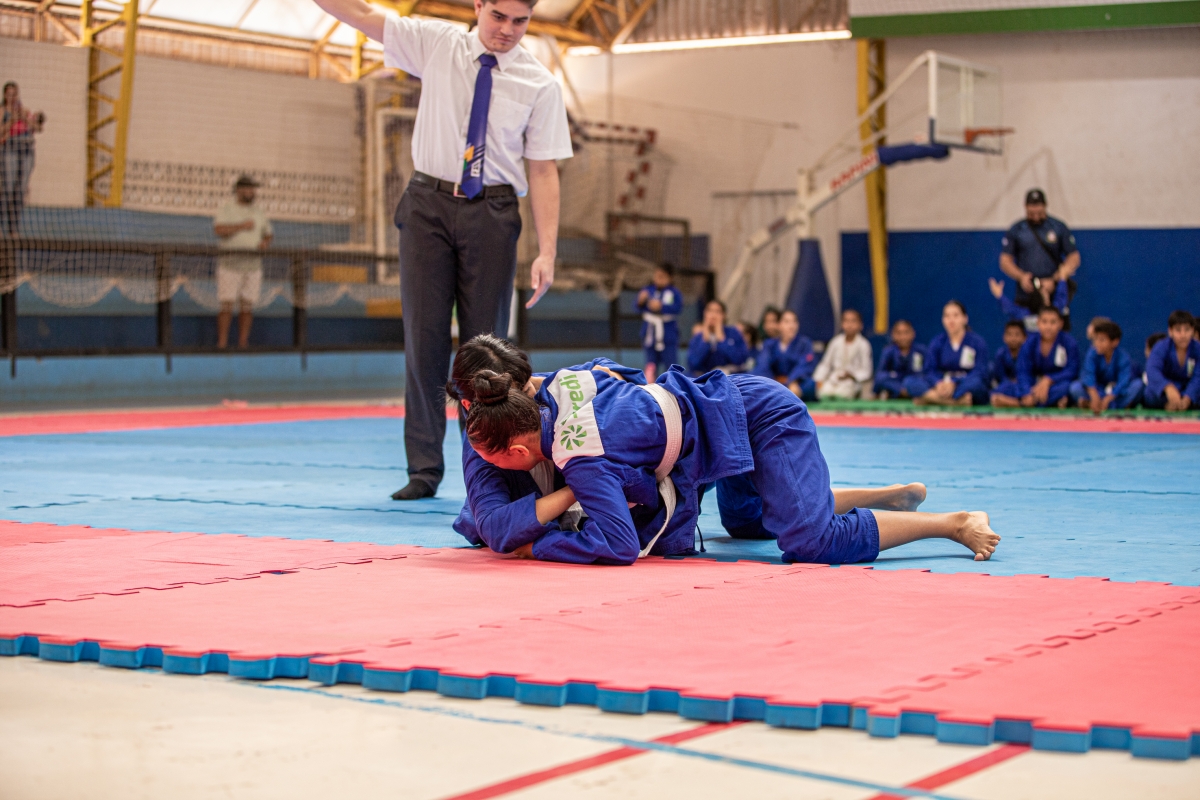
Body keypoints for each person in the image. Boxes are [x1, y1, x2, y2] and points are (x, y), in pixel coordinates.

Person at [314, 0, 572, 501]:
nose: (507, 30)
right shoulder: (437, 44)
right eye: (498, 16)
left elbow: (543, 169)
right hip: (428, 205)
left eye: (519, 21)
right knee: (424, 338)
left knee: (487, 351)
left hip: (493, 211)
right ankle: (423, 469)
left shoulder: (540, 83)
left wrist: (548, 251)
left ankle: (489, 469)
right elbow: (363, 16)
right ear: (478, 6)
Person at [460, 362, 1000, 566]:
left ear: (517, 452)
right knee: (746, 522)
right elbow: (622, 375)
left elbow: (620, 545)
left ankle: (950, 524)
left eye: (488, 456)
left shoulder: (580, 457)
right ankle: (886, 498)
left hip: (760, 416)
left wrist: (540, 547)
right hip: (714, 425)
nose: (482, 463)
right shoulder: (563, 385)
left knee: (812, 542)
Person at [999, 188, 1080, 328]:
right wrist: (1021, 277)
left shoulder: (1058, 227)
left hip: (1052, 291)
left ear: (1045, 206)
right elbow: (1005, 260)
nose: (1035, 213)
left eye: (1038, 209)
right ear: (1026, 207)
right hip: (1027, 293)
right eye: (1031, 210)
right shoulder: (1017, 229)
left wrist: (1056, 278)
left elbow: (1074, 257)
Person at [213, 175, 272, 349]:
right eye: (248, 188)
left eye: (253, 189)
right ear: (239, 190)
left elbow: (268, 233)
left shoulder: (259, 212)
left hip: (253, 266)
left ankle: (243, 343)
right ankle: (222, 343)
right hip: (230, 265)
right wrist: (241, 226)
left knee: (247, 306)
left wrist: (265, 242)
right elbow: (219, 230)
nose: (251, 192)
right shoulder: (227, 209)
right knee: (227, 305)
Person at [906, 301, 990, 407]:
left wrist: (955, 383)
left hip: (963, 385)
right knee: (910, 381)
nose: (951, 320)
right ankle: (954, 402)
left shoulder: (977, 342)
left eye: (956, 315)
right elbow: (930, 370)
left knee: (977, 384)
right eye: (947, 316)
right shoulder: (937, 342)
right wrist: (938, 383)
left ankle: (930, 398)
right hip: (941, 385)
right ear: (943, 320)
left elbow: (980, 372)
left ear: (965, 319)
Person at [995, 305, 1079, 408]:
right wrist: (1027, 392)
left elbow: (1072, 370)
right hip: (1034, 385)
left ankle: (1020, 403)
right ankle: (1040, 401)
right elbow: (1023, 371)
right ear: (1038, 323)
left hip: (1056, 384)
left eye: (1053, 322)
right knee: (1005, 388)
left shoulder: (1069, 343)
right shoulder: (1030, 343)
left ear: (1060, 324)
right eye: (1044, 322)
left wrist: (1049, 380)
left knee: (1067, 388)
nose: (1048, 327)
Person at [1069, 320, 1143, 412]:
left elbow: (1123, 381)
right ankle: (1106, 405)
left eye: (1102, 340)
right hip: (1098, 391)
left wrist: (1109, 398)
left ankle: (1093, 404)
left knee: (1138, 385)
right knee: (1075, 387)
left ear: (1115, 342)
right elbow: (1088, 375)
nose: (1097, 343)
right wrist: (1094, 395)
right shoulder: (1092, 353)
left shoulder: (1123, 357)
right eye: (1095, 339)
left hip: (1115, 395)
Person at [1, 82, 44, 238]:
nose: (12, 97)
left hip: (26, 150)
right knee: (8, 190)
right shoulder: (2, 111)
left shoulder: (24, 111)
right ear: (5, 95)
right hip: (10, 150)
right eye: (9, 94)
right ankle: (2, 226)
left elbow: (38, 128)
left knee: (20, 192)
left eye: (15, 94)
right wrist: (12, 120)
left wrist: (25, 119)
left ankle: (14, 229)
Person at [755, 309, 817, 400]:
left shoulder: (805, 343)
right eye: (787, 322)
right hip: (775, 383)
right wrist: (770, 384)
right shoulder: (770, 344)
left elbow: (805, 365)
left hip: (795, 383)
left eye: (794, 322)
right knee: (754, 380)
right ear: (779, 325)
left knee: (810, 385)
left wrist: (793, 381)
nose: (791, 326)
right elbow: (763, 365)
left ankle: (779, 395)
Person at [1143, 310, 1200, 411]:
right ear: (1170, 331)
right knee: (1149, 393)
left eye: (1187, 330)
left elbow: (1198, 376)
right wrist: (1167, 387)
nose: (1183, 335)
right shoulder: (1161, 347)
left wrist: (1188, 397)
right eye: (1178, 330)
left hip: (1188, 389)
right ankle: (1168, 405)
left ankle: (1185, 404)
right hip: (1166, 392)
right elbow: (1152, 370)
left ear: (1192, 330)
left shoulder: (1197, 348)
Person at [637, 263, 682, 382]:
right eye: (656, 276)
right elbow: (637, 307)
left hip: (668, 334)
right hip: (650, 334)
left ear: (670, 278)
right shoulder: (648, 290)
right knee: (650, 365)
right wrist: (641, 301)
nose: (658, 279)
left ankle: (673, 386)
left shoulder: (674, 292)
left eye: (662, 276)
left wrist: (661, 307)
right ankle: (650, 386)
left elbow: (678, 308)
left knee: (671, 365)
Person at [814, 308, 873, 400]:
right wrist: (818, 379)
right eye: (846, 321)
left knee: (842, 394)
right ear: (842, 324)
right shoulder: (835, 342)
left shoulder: (864, 344)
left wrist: (852, 376)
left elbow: (866, 370)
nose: (850, 325)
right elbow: (826, 364)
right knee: (823, 392)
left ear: (860, 325)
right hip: (835, 379)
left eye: (853, 321)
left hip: (852, 381)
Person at [687, 299, 749, 376]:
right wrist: (705, 341)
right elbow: (693, 363)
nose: (713, 315)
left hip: (731, 377)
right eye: (709, 311)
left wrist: (722, 340)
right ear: (704, 314)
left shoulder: (733, 333)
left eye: (717, 312)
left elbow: (740, 360)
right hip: (705, 377)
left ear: (724, 315)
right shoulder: (698, 337)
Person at [873, 319, 927, 400]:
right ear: (893, 335)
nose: (903, 337)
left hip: (913, 381)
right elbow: (880, 373)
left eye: (906, 333)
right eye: (899, 333)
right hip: (895, 381)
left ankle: (911, 392)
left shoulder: (920, 351)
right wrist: (899, 388)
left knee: (915, 381)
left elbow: (923, 373)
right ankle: (902, 392)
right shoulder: (888, 351)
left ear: (913, 333)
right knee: (881, 378)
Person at [989, 320, 1027, 403]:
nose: (1013, 338)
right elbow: (1000, 377)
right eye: (1009, 334)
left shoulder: (1028, 354)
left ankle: (1016, 402)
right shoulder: (1001, 354)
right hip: (1006, 386)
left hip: (1024, 386)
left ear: (1024, 337)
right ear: (1004, 337)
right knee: (997, 392)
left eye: (1017, 334)